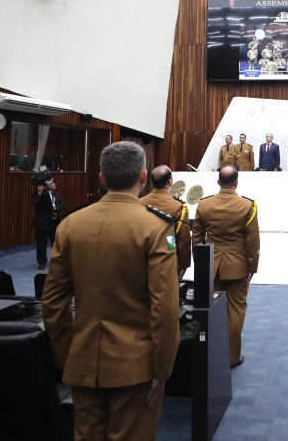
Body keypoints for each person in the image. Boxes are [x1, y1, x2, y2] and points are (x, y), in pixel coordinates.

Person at [41, 141, 180, 441]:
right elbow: (165, 307)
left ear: (101, 178)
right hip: (137, 365)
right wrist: (162, 368)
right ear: (143, 178)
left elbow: (52, 303)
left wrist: (69, 356)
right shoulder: (156, 228)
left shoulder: (69, 225)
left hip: (82, 359)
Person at [193, 166, 260, 368]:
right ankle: (231, 358)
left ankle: (210, 355)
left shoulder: (204, 205)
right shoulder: (247, 206)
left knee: (211, 311)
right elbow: (253, 242)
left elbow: (197, 238)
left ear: (218, 182)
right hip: (238, 266)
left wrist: (202, 266)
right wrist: (252, 268)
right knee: (235, 311)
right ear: (237, 182)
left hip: (211, 265)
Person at [139, 165, 192, 279]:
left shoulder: (139, 203)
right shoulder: (179, 207)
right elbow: (184, 242)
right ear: (170, 181)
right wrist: (184, 265)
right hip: (169, 261)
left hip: (143, 260)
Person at [30, 175, 66, 270]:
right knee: (41, 244)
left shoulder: (57, 194)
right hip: (42, 223)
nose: (54, 184)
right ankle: (42, 262)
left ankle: (57, 260)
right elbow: (35, 203)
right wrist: (39, 192)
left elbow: (62, 204)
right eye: (52, 183)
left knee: (56, 243)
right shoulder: (39, 194)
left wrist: (56, 207)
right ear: (47, 185)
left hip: (54, 222)